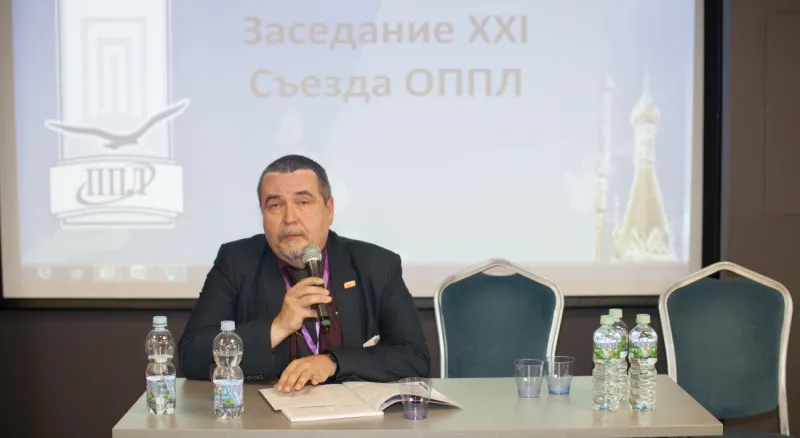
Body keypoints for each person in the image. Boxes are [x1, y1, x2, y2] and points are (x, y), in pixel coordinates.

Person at [178, 154, 430, 392]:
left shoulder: (376, 264)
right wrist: (278, 327)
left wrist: (334, 362)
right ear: (262, 214)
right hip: (265, 413)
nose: (290, 218)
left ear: (329, 209)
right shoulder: (236, 262)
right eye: (275, 205)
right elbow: (191, 356)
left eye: (303, 202)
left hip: (353, 415)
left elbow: (414, 357)